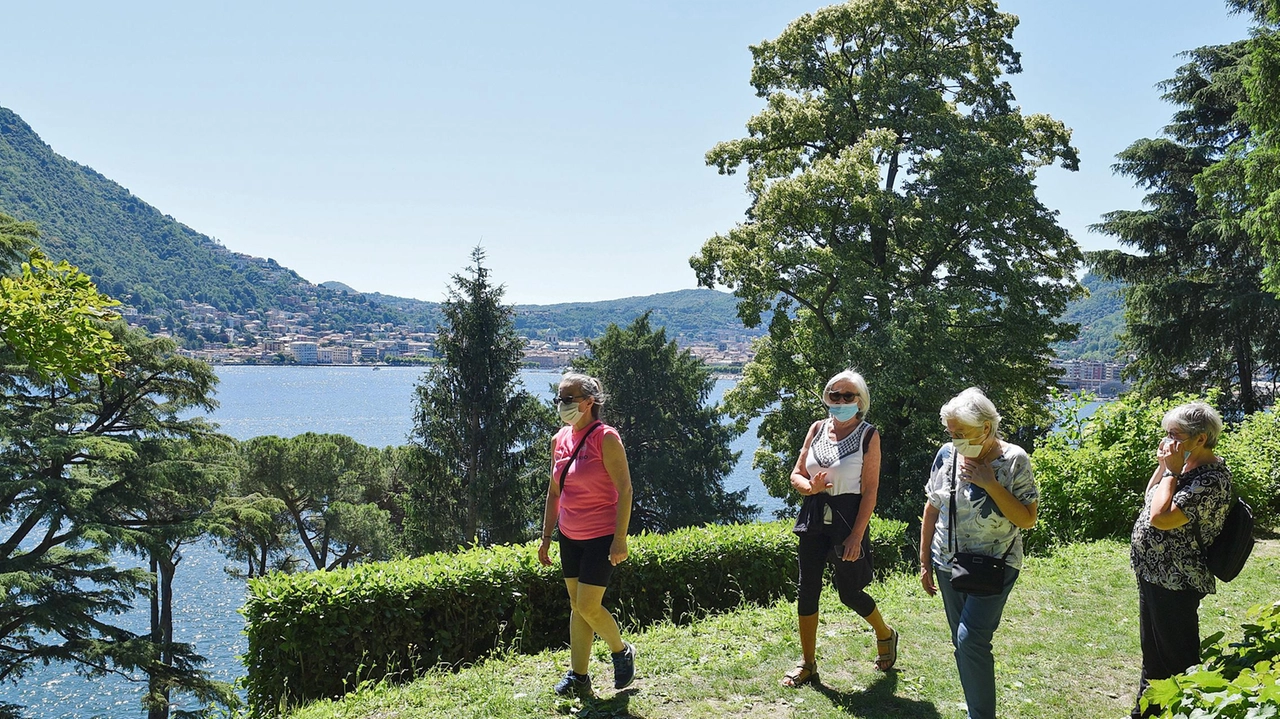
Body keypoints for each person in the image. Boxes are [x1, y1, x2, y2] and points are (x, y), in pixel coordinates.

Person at [919, 387, 1038, 719]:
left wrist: (990, 484)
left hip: (997, 564)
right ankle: (978, 708)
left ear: (986, 427)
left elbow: (1027, 519)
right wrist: (925, 558)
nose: (956, 439)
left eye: (963, 433)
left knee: (970, 640)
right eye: (952, 433)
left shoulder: (1014, 459)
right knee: (963, 645)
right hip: (948, 563)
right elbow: (932, 507)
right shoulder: (946, 455)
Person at [781, 369, 897, 688]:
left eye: (849, 396)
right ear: (826, 398)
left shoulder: (869, 435)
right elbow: (797, 474)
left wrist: (857, 535)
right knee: (808, 589)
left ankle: (885, 633)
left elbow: (870, 491)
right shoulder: (816, 429)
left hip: (848, 518)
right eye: (835, 395)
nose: (841, 400)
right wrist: (809, 488)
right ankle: (808, 663)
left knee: (849, 592)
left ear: (860, 401)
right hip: (814, 514)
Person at [1129, 402, 1233, 718]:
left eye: (1174, 434)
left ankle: (1188, 712)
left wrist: (1172, 471)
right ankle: (1144, 713)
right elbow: (1151, 494)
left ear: (1200, 439)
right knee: (1154, 657)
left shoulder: (1211, 479)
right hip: (1153, 574)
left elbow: (1160, 517)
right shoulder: (1182, 467)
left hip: (1177, 581)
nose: (1167, 441)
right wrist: (1166, 467)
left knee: (1178, 662)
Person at [537, 373, 636, 697]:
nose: (562, 405)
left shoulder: (605, 438)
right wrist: (546, 537)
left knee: (589, 606)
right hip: (569, 535)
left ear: (589, 401)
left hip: (601, 535)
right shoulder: (558, 440)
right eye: (559, 399)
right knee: (576, 606)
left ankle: (621, 651)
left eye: (568, 399)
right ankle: (579, 676)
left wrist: (619, 539)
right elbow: (554, 493)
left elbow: (625, 489)